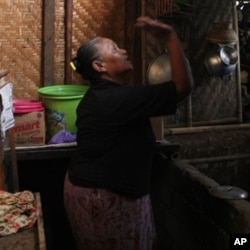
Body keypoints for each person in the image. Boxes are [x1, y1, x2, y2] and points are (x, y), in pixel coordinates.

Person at [64, 16, 193, 250]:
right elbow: (182, 87)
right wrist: (171, 38)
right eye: (114, 48)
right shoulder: (117, 99)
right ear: (99, 66)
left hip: (96, 192)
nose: (122, 50)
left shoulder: (100, 97)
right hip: (104, 198)